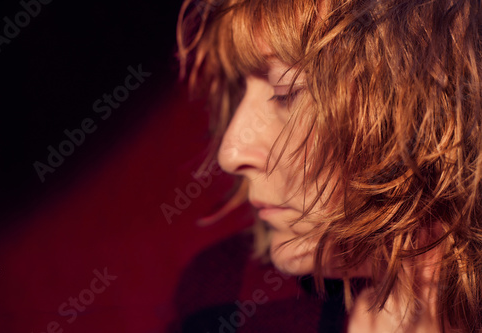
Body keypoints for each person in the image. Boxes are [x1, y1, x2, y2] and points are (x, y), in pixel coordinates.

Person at [173, 0, 482, 332]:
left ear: (441, 110)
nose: (230, 153)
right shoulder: (225, 298)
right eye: (240, 90)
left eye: (286, 91)